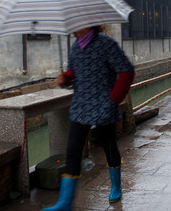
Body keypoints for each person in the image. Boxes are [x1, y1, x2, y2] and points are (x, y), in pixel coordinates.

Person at [43, 25, 135, 211]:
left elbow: (126, 72)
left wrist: (113, 100)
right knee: (73, 150)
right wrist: (65, 78)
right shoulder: (76, 46)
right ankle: (65, 202)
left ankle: (116, 185)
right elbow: (73, 72)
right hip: (81, 105)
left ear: (88, 23)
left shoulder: (106, 44)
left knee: (109, 146)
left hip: (103, 104)